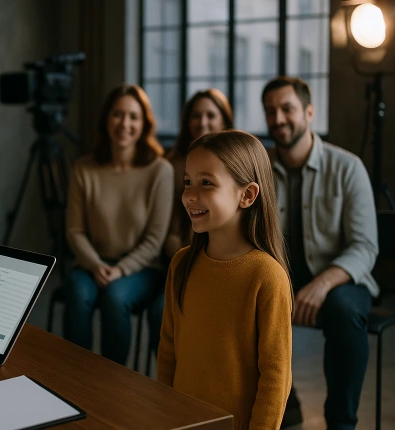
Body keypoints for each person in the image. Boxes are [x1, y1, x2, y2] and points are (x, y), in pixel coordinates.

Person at [261, 77, 378, 430]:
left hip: (340, 277)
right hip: (282, 276)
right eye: (270, 111)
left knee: (344, 309)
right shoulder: (259, 169)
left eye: (287, 109)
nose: (278, 119)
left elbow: (365, 245)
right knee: (242, 296)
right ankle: (284, 404)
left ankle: (341, 422)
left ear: (309, 113)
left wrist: (323, 284)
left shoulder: (348, 167)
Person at [157, 130, 293, 429]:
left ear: (247, 195)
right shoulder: (181, 264)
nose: (190, 195)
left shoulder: (267, 276)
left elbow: (276, 378)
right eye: (188, 182)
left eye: (207, 183)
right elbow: (168, 352)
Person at [63, 83, 173, 366]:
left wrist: (121, 269)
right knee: (76, 292)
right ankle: (75, 377)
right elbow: (75, 231)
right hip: (91, 265)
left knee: (115, 297)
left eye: (133, 116)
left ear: (144, 124)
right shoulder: (84, 169)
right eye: (117, 114)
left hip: (141, 269)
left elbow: (155, 239)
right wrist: (96, 265)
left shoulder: (160, 171)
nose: (125, 123)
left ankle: (113, 385)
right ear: (106, 120)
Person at [164, 89, 234, 259]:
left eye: (211, 115)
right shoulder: (173, 165)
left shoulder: (237, 164)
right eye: (196, 116)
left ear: (224, 120)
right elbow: (171, 228)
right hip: (184, 247)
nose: (203, 123)